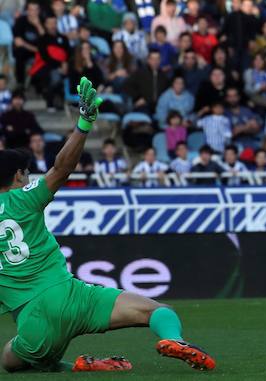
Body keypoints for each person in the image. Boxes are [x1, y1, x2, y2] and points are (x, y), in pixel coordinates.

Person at [0, 78, 214, 372]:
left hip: (32, 321)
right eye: (25, 174)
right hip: (73, 297)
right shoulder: (24, 198)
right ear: (18, 177)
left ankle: (74, 367)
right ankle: (175, 340)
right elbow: (62, 168)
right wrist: (84, 124)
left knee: (11, 358)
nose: (28, 178)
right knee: (157, 311)